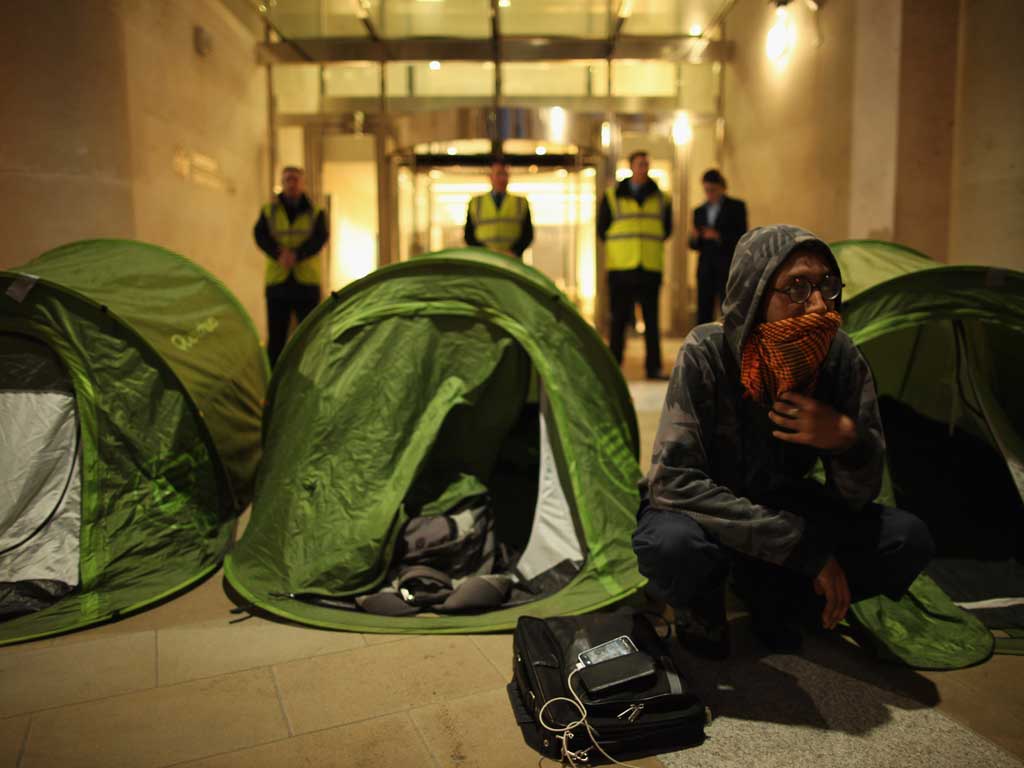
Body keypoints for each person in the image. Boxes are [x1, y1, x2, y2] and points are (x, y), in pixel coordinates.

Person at [632, 224, 933, 658]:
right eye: (796, 287)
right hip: (707, 516)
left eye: (826, 286)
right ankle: (702, 603)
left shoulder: (840, 357)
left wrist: (846, 442)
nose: (816, 305)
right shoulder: (708, 351)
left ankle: (783, 600)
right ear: (755, 292)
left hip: (784, 503)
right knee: (672, 545)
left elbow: (856, 498)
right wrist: (800, 546)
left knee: (906, 538)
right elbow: (673, 483)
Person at [597, 150, 673, 380]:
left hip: (649, 267)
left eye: (647, 164)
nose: (644, 168)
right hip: (621, 268)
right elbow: (602, 229)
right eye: (640, 164)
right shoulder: (612, 196)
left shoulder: (662, 198)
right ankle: (614, 366)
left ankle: (653, 367)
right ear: (631, 167)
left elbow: (667, 230)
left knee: (651, 321)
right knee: (618, 320)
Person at [253, 166, 328, 366]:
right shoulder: (269, 211)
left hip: (306, 283)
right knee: (276, 338)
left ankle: (309, 374)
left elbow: (320, 238)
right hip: (278, 282)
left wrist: (297, 255)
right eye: (287, 179)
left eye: (295, 179)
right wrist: (279, 254)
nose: (291, 183)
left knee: (309, 336)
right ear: (282, 183)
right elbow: (260, 236)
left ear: (303, 183)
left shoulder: (316, 212)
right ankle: (274, 384)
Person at [688, 169, 748, 325]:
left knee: (727, 308)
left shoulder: (736, 207)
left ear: (722, 188)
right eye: (706, 190)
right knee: (703, 310)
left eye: (712, 190)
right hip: (706, 267)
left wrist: (719, 236)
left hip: (726, 265)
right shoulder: (699, 211)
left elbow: (742, 237)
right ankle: (703, 345)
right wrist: (695, 237)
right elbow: (694, 245)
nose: (709, 194)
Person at [465, 158, 533, 258]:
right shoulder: (476, 202)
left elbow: (527, 234)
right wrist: (484, 252)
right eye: (498, 174)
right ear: (490, 177)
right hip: (484, 259)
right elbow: (469, 235)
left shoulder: (521, 202)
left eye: (505, 174)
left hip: (512, 260)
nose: (502, 178)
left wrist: (513, 252)